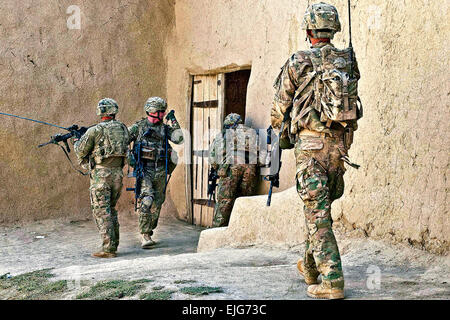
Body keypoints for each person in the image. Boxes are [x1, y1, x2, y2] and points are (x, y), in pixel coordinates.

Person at [271, 2, 362, 299]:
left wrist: (282, 133)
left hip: (310, 147)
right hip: (339, 148)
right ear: (333, 28)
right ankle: (310, 268)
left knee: (317, 215)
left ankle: (332, 281)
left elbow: (279, 107)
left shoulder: (298, 60)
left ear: (309, 30)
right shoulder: (347, 60)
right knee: (319, 211)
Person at [74, 98, 130, 258]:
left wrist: (76, 140)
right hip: (117, 174)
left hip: (101, 175)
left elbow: (80, 151)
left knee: (101, 211)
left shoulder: (95, 131)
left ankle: (108, 249)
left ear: (101, 112)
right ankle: (113, 244)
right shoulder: (123, 128)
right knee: (111, 209)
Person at [128, 97, 183, 248]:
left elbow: (179, 139)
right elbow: (122, 142)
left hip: (160, 170)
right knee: (147, 199)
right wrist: (131, 160)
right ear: (154, 112)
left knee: (157, 202)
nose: (164, 113)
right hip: (144, 170)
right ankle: (145, 235)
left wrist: (173, 120)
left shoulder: (165, 128)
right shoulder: (138, 127)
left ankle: (149, 230)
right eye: (162, 111)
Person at [209, 113, 260, 227]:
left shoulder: (223, 135)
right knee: (244, 200)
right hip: (250, 169)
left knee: (225, 201)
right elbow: (260, 156)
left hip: (230, 169)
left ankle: (218, 229)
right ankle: (241, 227)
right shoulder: (252, 133)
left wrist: (217, 168)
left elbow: (213, 157)